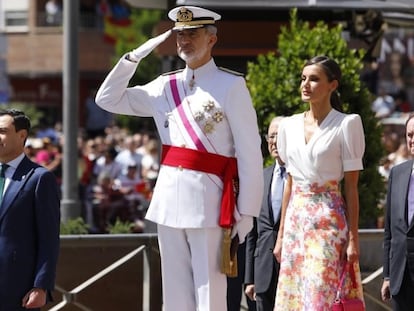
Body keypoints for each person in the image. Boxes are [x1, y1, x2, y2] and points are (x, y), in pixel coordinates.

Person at [95, 5, 263, 310]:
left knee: (209, 288)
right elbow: (107, 99)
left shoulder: (231, 85)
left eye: (192, 34)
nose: (184, 41)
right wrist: (135, 56)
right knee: (173, 290)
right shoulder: (164, 85)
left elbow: (250, 150)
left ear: (211, 39)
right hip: (169, 198)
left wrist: (248, 210)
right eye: (180, 35)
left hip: (210, 199)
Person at [273, 56, 366, 309]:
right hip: (295, 220)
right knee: (293, 297)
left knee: (320, 296)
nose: (306, 84)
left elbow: (351, 187)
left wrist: (354, 239)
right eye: (304, 78)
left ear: (332, 85)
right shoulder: (288, 126)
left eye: (314, 79)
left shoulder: (347, 124)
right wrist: (281, 236)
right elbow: (289, 183)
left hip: (329, 220)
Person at [0, 109, 60, 310]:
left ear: (22, 135)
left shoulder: (39, 178)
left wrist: (41, 286)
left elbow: (49, 239)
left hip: (16, 288)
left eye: (2, 131)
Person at [245, 117, 285, 311]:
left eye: (279, 135)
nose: (274, 141)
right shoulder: (261, 177)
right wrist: (249, 279)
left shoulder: (302, 177)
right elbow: (252, 232)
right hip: (262, 272)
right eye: (271, 136)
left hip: (291, 270)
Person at [381, 113, 414, 310]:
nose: (412, 140)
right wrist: (387, 276)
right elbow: (389, 231)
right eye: (409, 135)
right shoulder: (397, 173)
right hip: (400, 277)